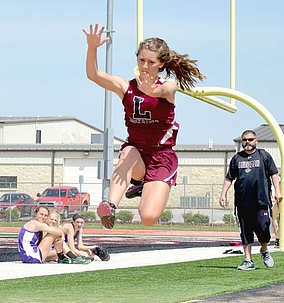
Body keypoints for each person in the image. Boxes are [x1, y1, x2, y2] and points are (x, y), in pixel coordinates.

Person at [83, 24, 205, 229]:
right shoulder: (126, 87)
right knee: (127, 151)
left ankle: (141, 185)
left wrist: (150, 90)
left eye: (151, 62)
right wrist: (92, 48)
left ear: (161, 64)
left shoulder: (168, 87)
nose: (145, 66)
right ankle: (110, 206)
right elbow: (93, 75)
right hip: (137, 155)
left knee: (148, 218)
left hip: (161, 157)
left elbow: (162, 91)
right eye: (141, 60)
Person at [218, 130, 281, 270]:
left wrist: (278, 191)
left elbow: (274, 174)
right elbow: (229, 178)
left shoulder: (264, 156)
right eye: (244, 140)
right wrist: (223, 194)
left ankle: (264, 250)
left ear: (256, 141)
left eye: (250, 139)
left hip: (261, 200)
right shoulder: (236, 158)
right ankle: (248, 260)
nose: (247, 142)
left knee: (263, 229)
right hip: (242, 202)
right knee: (245, 231)